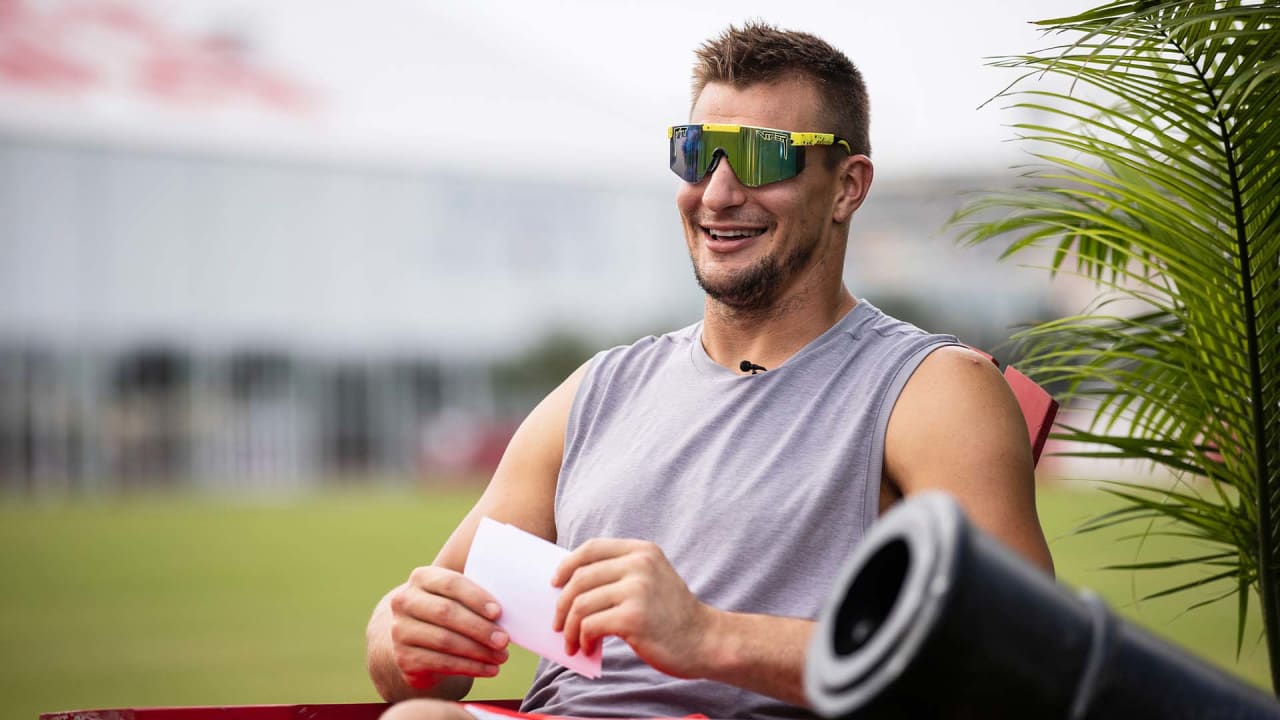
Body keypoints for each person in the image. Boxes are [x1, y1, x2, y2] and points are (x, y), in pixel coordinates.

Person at [365, 21, 1054, 720]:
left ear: (847, 187)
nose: (718, 194)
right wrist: (409, 638)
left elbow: (1024, 663)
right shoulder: (598, 390)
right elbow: (418, 652)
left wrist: (709, 636)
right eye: (696, 154)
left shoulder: (931, 388)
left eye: (761, 158)